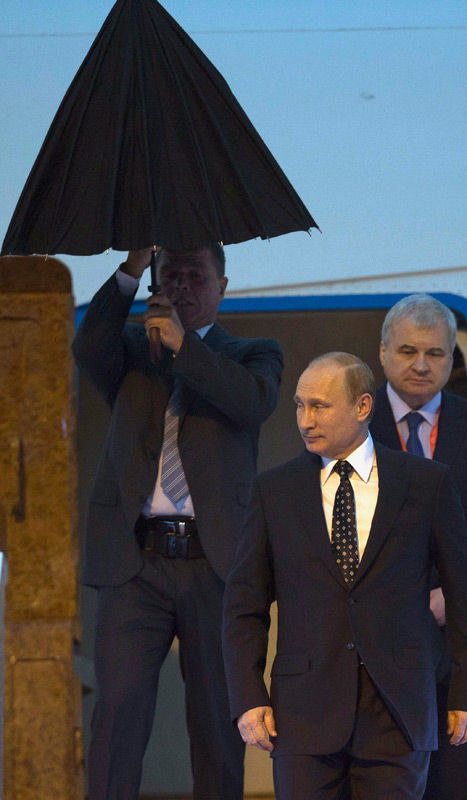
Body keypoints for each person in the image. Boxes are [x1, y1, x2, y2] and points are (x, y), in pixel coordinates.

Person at [223, 352, 467, 800]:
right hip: (304, 713)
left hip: (400, 711)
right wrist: (248, 696)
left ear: (363, 406)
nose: (305, 420)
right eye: (299, 405)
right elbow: (243, 606)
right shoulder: (275, 490)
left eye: (319, 406)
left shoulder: (426, 483)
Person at [72, 243, 283, 800]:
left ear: (223, 287)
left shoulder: (252, 354)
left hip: (215, 565)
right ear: (156, 284)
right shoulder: (129, 351)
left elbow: (252, 402)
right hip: (134, 564)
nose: (183, 286)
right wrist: (131, 267)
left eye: (196, 276)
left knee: (217, 719)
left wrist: (184, 346)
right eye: (171, 276)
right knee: (118, 713)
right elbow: (87, 345)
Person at [369, 293, 467, 800]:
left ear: (450, 358)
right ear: (383, 353)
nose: (421, 364)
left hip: (457, 643)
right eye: (408, 351)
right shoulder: (352, 426)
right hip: (368, 641)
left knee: (455, 781)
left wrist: (453, 597)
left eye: (435, 353)